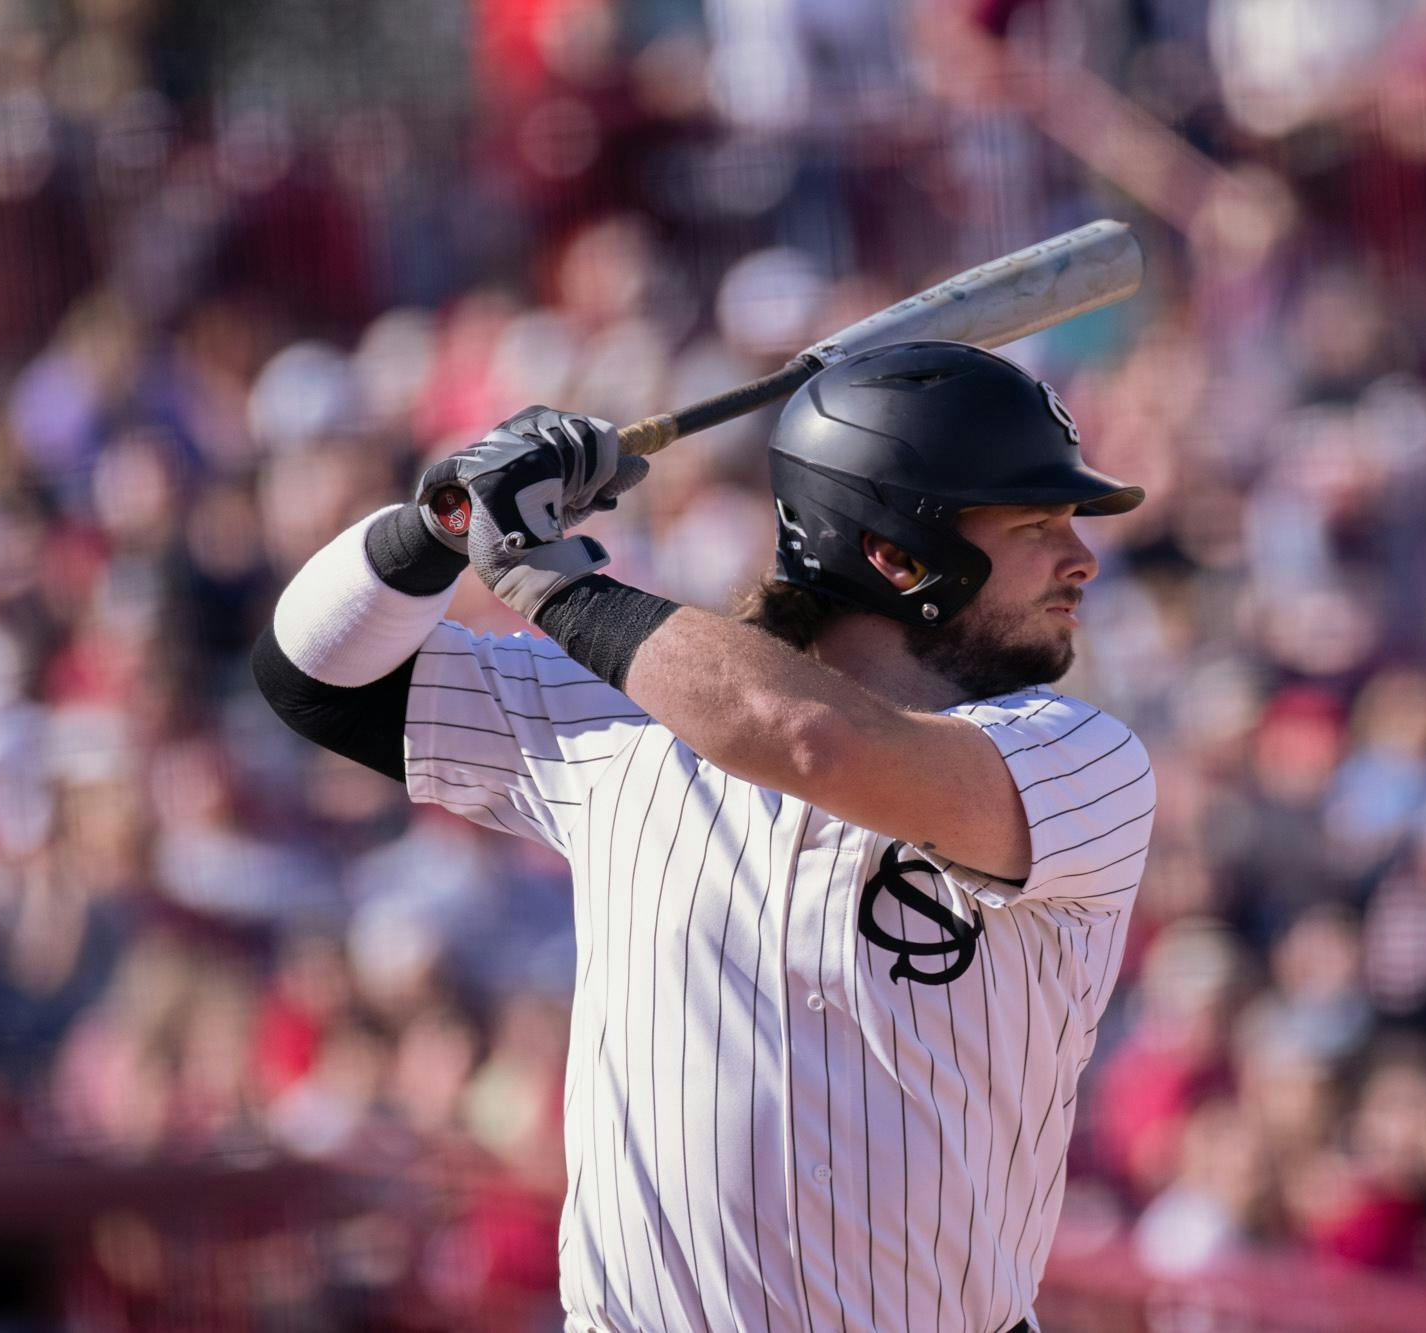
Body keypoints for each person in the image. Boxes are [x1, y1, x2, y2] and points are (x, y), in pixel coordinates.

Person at [253, 340, 1157, 1333]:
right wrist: (437, 524)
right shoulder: (621, 724)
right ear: (896, 555)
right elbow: (311, 671)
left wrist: (554, 581)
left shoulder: (1082, 758)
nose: (1081, 557)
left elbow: (809, 739)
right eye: (1036, 523)